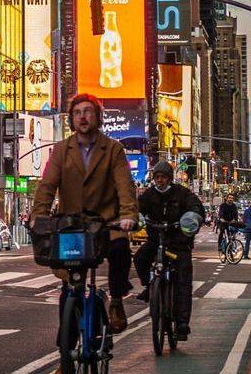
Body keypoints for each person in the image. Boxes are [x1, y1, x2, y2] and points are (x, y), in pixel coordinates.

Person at [31, 93, 138, 348]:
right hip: (73, 226)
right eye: (77, 112)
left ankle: (117, 301)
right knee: (69, 292)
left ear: (98, 117)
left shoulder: (113, 149)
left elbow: (125, 186)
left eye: (88, 111)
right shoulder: (61, 149)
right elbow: (47, 185)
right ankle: (65, 356)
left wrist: (128, 216)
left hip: (106, 224)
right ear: (71, 119)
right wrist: (39, 216)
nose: (83, 117)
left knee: (121, 249)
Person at [133, 161, 205, 340]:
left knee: (183, 278)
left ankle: (182, 323)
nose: (160, 180)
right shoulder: (148, 195)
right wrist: (135, 217)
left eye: (163, 177)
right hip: (155, 239)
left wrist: (192, 217)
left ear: (170, 178)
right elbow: (136, 209)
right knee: (140, 258)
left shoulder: (182, 193)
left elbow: (196, 207)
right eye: (157, 177)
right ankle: (148, 286)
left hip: (178, 243)